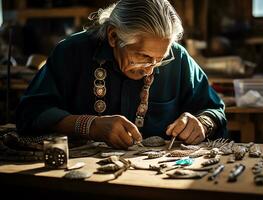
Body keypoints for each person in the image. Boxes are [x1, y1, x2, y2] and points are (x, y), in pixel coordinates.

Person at [16, 0, 227, 149]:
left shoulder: (177, 57)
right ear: (114, 36)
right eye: (142, 56)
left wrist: (203, 123)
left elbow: (213, 108)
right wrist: (89, 125)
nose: (150, 68)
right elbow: (31, 112)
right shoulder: (71, 52)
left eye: (160, 59)